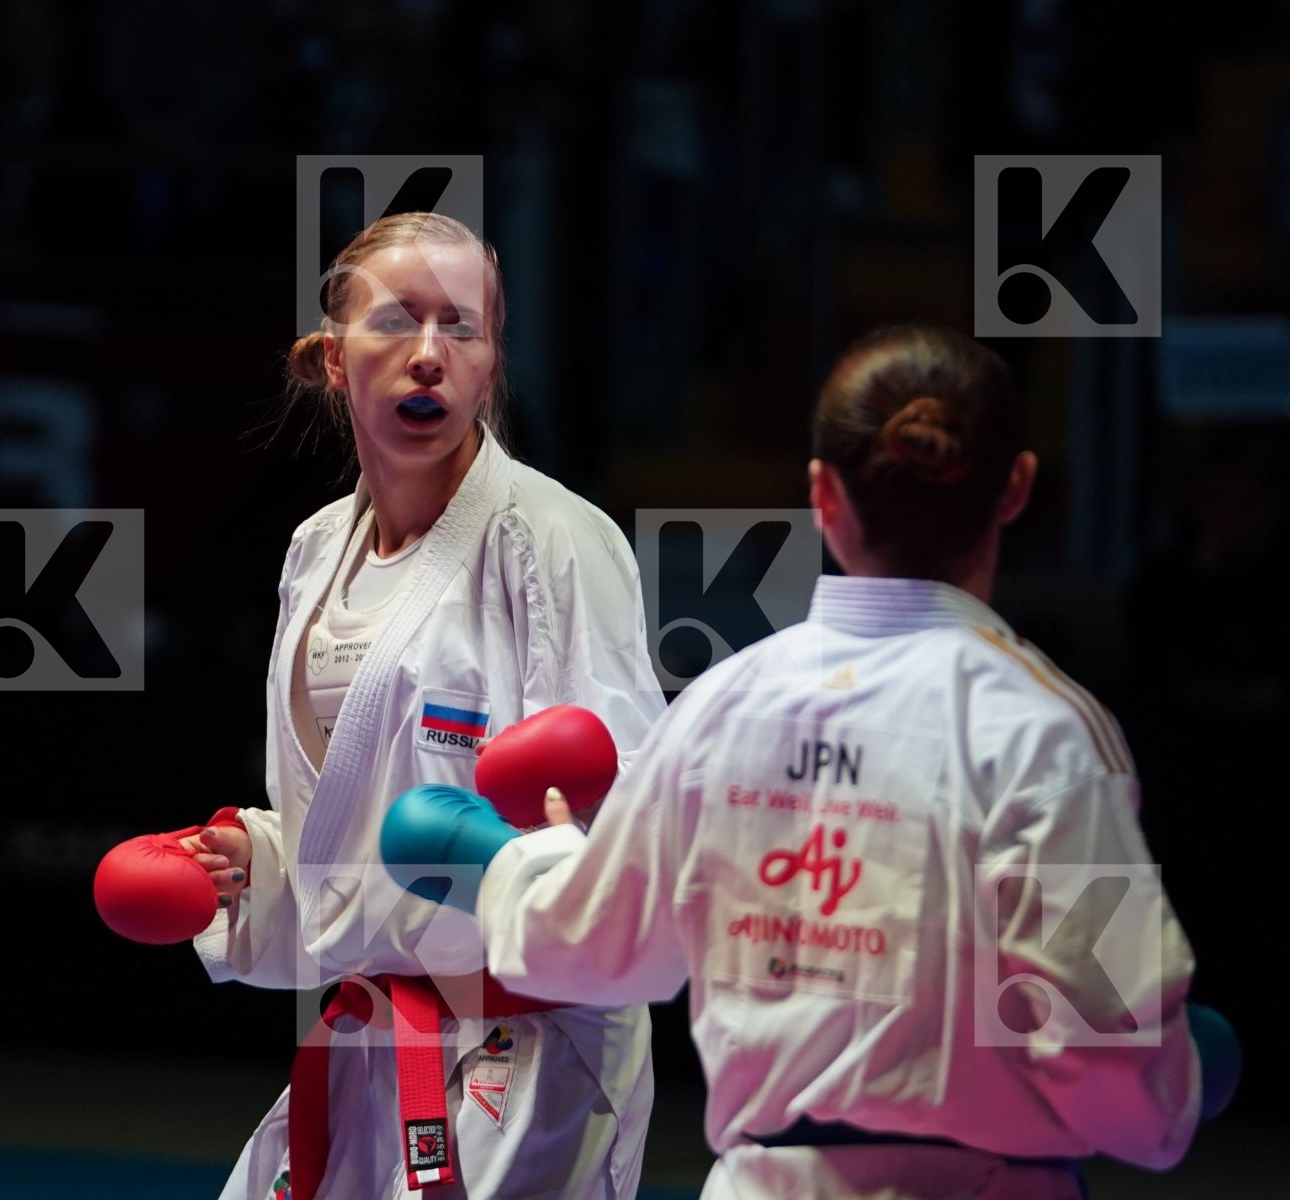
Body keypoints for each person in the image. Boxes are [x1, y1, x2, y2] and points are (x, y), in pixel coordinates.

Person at [434, 325, 1202, 1198]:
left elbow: (595, 950)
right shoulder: (1042, 733)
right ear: (1018, 488)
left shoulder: (722, 707)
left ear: (822, 497)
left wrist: (518, 859)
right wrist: (1178, 1078)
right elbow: (1117, 1087)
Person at [180, 211, 666, 1198]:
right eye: (398, 323)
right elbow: (356, 846)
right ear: (327, 359)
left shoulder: (557, 544)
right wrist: (262, 864)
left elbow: (646, 841)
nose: (430, 357)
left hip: (529, 1063)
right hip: (370, 1044)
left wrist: (505, 865)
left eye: (463, 329)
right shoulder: (317, 552)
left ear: (492, 366)